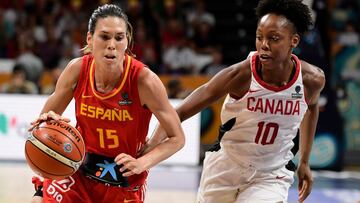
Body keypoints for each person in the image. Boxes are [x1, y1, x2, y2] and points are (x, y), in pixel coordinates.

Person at [145, 0, 325, 202]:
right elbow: (179, 112)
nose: (264, 45)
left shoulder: (312, 80)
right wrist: (151, 145)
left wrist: (305, 162)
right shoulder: (241, 74)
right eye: (259, 37)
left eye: (274, 38)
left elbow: (311, 108)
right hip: (226, 166)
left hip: (271, 173)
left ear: (294, 41)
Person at [29, 4, 185, 203]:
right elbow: (46, 119)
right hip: (79, 169)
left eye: (119, 38)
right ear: (90, 39)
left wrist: (142, 162)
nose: (112, 44)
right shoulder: (77, 70)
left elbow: (177, 138)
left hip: (124, 178)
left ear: (127, 42)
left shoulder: (144, 81)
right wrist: (47, 123)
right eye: (104, 37)